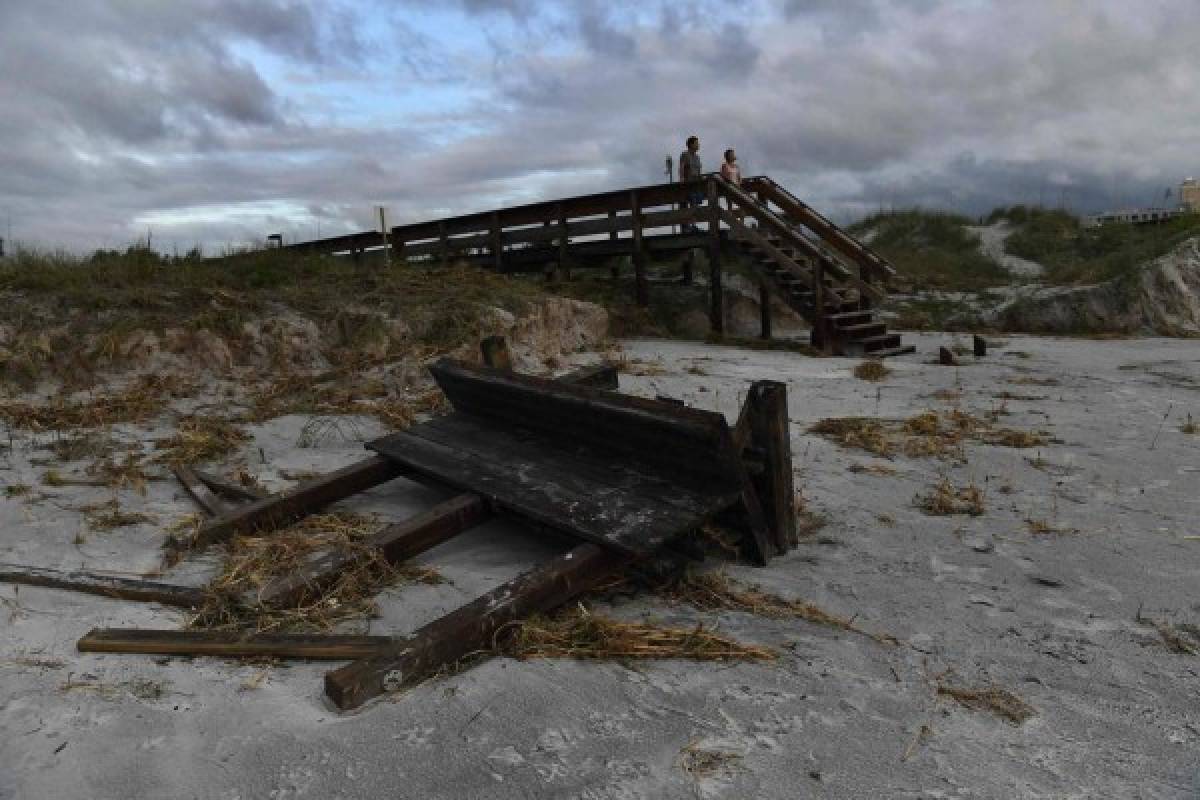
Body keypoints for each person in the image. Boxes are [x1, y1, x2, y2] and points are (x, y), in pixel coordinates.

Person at [679, 135, 703, 232]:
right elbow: (681, 168)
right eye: (696, 143)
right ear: (691, 144)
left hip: (697, 183)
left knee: (695, 204)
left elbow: (699, 170)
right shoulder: (685, 154)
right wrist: (681, 180)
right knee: (689, 203)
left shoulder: (697, 157)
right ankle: (687, 227)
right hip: (688, 182)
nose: (698, 145)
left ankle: (693, 225)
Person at [720, 148, 745, 225]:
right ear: (728, 156)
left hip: (737, 188)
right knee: (730, 206)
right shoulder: (724, 166)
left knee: (742, 205)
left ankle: (741, 223)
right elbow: (723, 177)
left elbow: (739, 178)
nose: (734, 155)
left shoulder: (737, 166)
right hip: (729, 188)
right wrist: (730, 184)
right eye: (732, 154)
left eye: (733, 154)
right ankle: (732, 223)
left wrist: (738, 184)